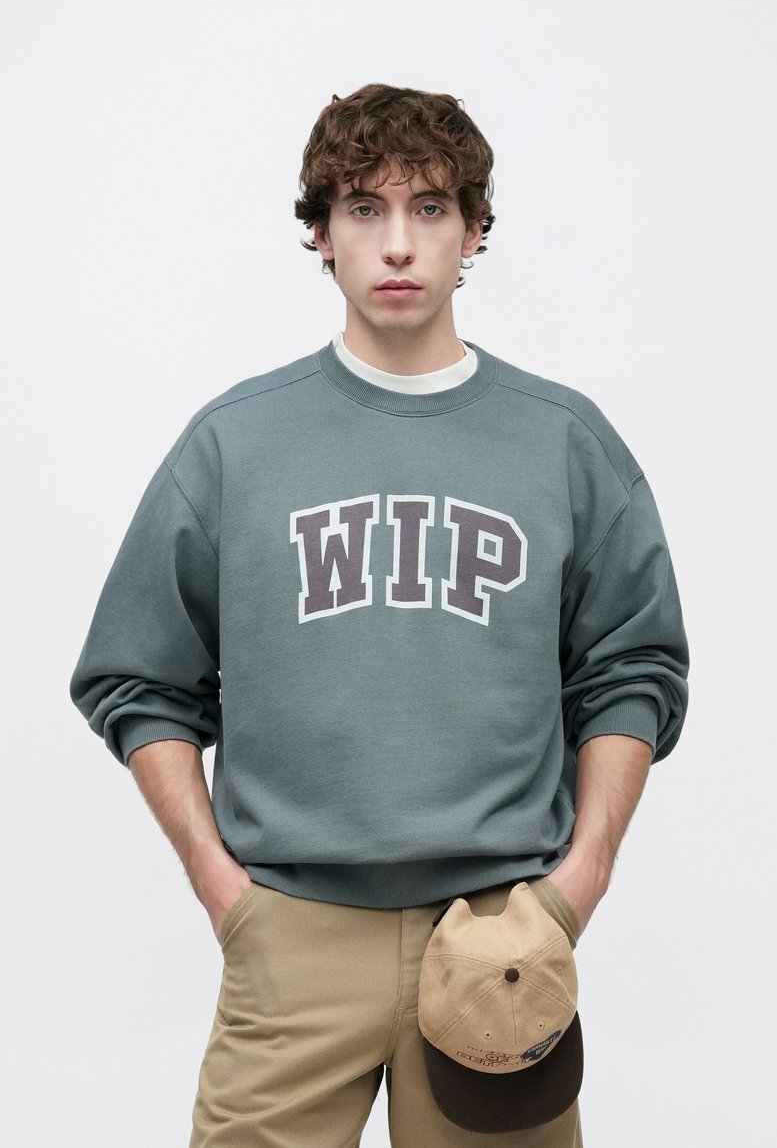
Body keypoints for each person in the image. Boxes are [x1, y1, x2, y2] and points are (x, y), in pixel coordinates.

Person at [70, 83, 689, 1147]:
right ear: (320, 232)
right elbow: (136, 678)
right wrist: (225, 891)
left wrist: (575, 884)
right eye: (364, 208)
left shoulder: (562, 440)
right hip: (291, 937)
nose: (397, 243)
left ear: (474, 229)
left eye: (429, 207)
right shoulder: (234, 443)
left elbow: (631, 670)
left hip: (501, 938)